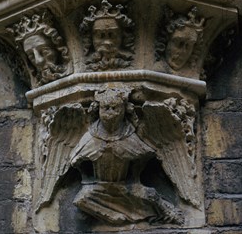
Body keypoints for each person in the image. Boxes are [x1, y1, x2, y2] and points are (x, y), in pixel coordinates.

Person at [70, 89, 184, 226]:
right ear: (98, 109)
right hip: (100, 187)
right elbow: (75, 161)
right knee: (81, 199)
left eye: (115, 108)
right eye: (105, 108)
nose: (110, 113)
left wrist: (134, 174)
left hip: (124, 185)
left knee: (150, 195)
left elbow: (145, 155)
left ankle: (164, 211)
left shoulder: (130, 136)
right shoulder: (91, 137)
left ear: (124, 110)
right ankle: (115, 216)